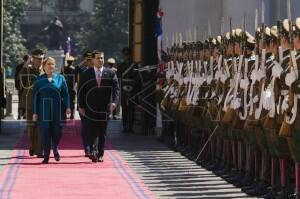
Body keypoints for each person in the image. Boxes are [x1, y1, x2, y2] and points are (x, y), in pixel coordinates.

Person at [78, 50, 119, 163]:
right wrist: (81, 106)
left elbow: (116, 90)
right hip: (90, 107)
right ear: (92, 60)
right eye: (98, 58)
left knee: (102, 132)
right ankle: (93, 151)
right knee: (92, 131)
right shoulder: (86, 74)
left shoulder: (110, 73)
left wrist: (114, 102)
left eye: (102, 58)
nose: (100, 60)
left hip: (105, 108)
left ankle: (100, 153)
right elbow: (81, 91)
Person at [32, 57, 71, 164]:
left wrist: (68, 107)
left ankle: (55, 147)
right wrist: (35, 112)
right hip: (43, 110)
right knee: (45, 132)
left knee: (57, 131)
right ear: (44, 67)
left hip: (57, 110)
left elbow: (66, 94)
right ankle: (46, 156)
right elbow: (35, 96)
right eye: (48, 64)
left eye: (52, 64)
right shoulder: (39, 79)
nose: (51, 66)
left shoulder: (60, 78)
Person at [19, 49, 44, 158]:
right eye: (38, 59)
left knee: (40, 127)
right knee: (31, 129)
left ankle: (39, 150)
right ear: (33, 60)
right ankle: (32, 146)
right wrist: (26, 63)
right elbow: (20, 80)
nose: (40, 61)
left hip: (42, 103)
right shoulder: (27, 70)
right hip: (30, 103)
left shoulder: (45, 71)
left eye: (42, 59)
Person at [75, 50, 94, 157]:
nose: (89, 61)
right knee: (85, 126)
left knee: (94, 126)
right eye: (88, 59)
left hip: (94, 102)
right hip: (83, 101)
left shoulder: (97, 69)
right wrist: (82, 62)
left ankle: (93, 148)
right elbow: (73, 73)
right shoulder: (81, 70)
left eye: (91, 59)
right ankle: (87, 148)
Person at [117, 47, 140, 133]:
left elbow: (137, 78)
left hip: (132, 89)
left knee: (131, 109)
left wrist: (132, 86)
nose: (127, 56)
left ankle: (130, 126)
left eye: (128, 55)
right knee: (124, 109)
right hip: (123, 90)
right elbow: (118, 79)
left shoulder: (134, 66)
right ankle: (124, 126)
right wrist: (122, 87)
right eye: (125, 55)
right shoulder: (121, 66)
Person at [15, 55, 30, 120]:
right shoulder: (30, 66)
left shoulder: (19, 66)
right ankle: (23, 114)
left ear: (23, 59)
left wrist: (17, 86)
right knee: (26, 101)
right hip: (26, 86)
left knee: (21, 101)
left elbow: (16, 77)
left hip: (21, 87)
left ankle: (20, 114)